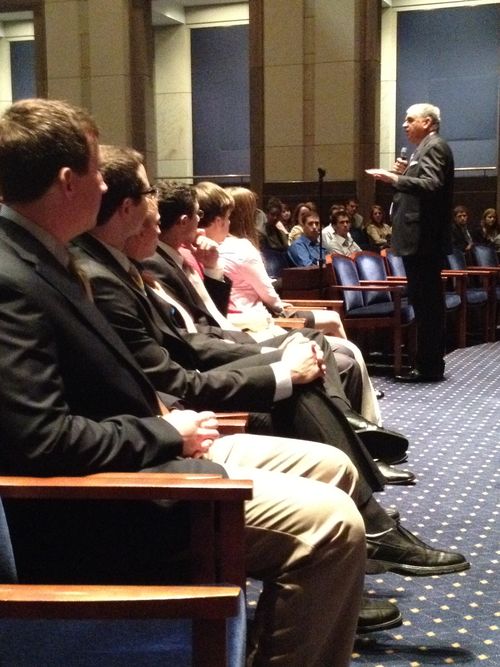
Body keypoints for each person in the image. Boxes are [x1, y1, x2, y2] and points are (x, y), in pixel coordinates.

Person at [0, 97, 372, 667]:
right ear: (69, 181)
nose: (106, 187)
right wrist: (165, 435)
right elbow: (42, 440)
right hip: (101, 508)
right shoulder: (12, 277)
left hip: (136, 464)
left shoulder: (37, 253)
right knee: (331, 527)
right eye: (99, 171)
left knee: (330, 481)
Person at [367, 102, 454, 383]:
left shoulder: (435, 146)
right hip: (419, 240)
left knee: (427, 305)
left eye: (410, 120)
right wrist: (403, 175)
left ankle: (428, 367)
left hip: (424, 241)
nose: (404, 125)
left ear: (427, 122)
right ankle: (429, 364)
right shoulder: (423, 148)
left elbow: (432, 185)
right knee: (425, 303)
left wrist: (395, 179)